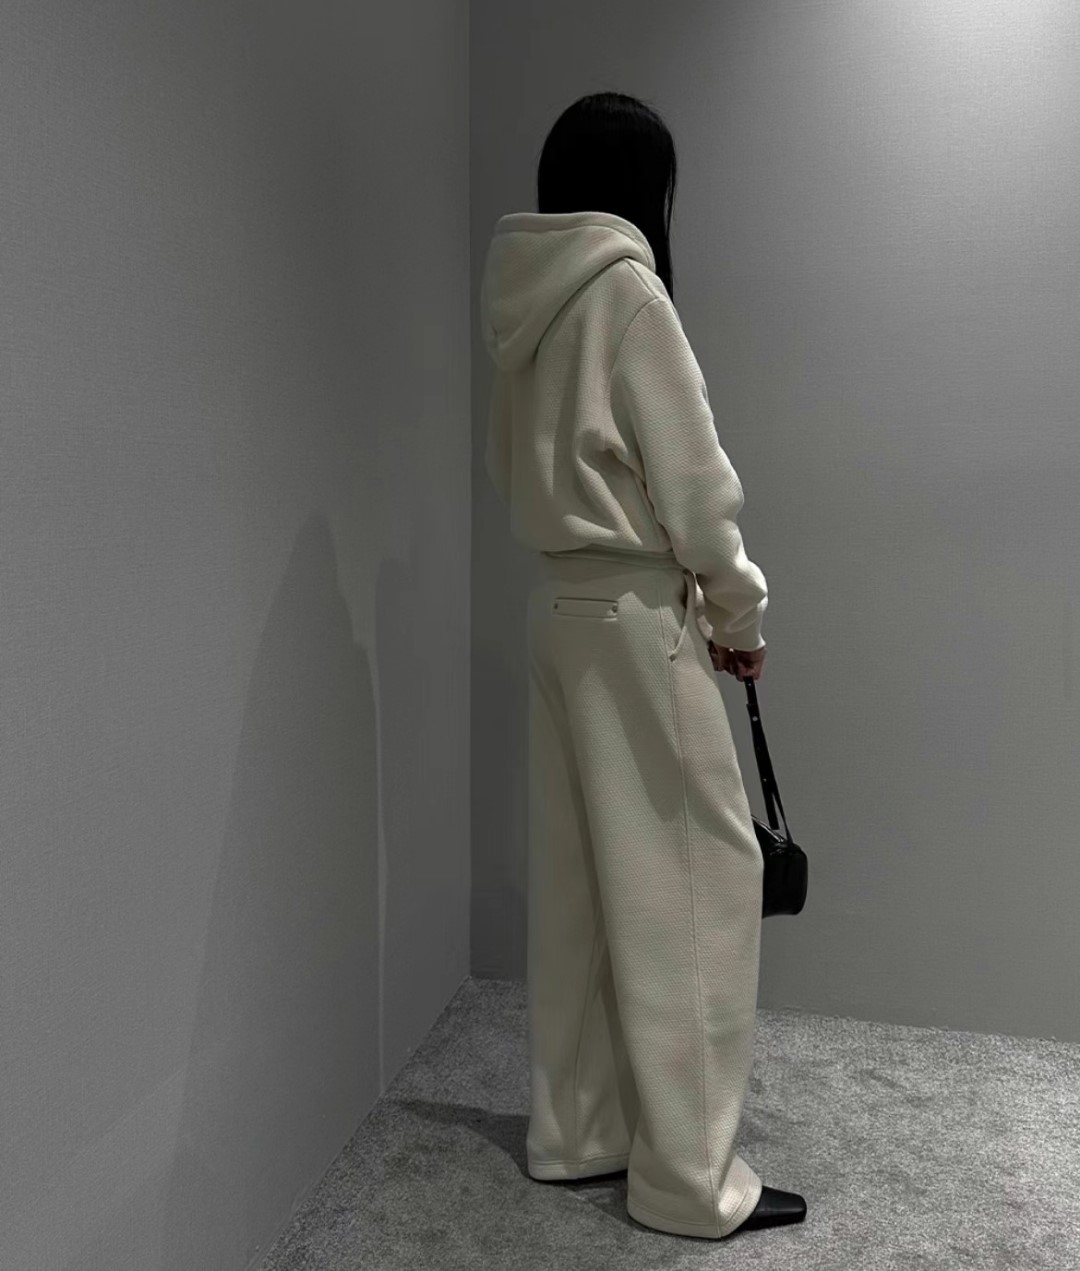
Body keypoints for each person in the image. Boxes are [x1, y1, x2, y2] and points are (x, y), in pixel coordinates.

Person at [480, 91, 806, 1241]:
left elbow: (522, 462)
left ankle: (576, 1132)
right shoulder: (629, 292)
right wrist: (738, 607)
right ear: (643, 188)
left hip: (555, 606)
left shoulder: (521, 298)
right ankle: (687, 1181)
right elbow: (696, 486)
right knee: (695, 887)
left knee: (578, 882)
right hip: (632, 612)